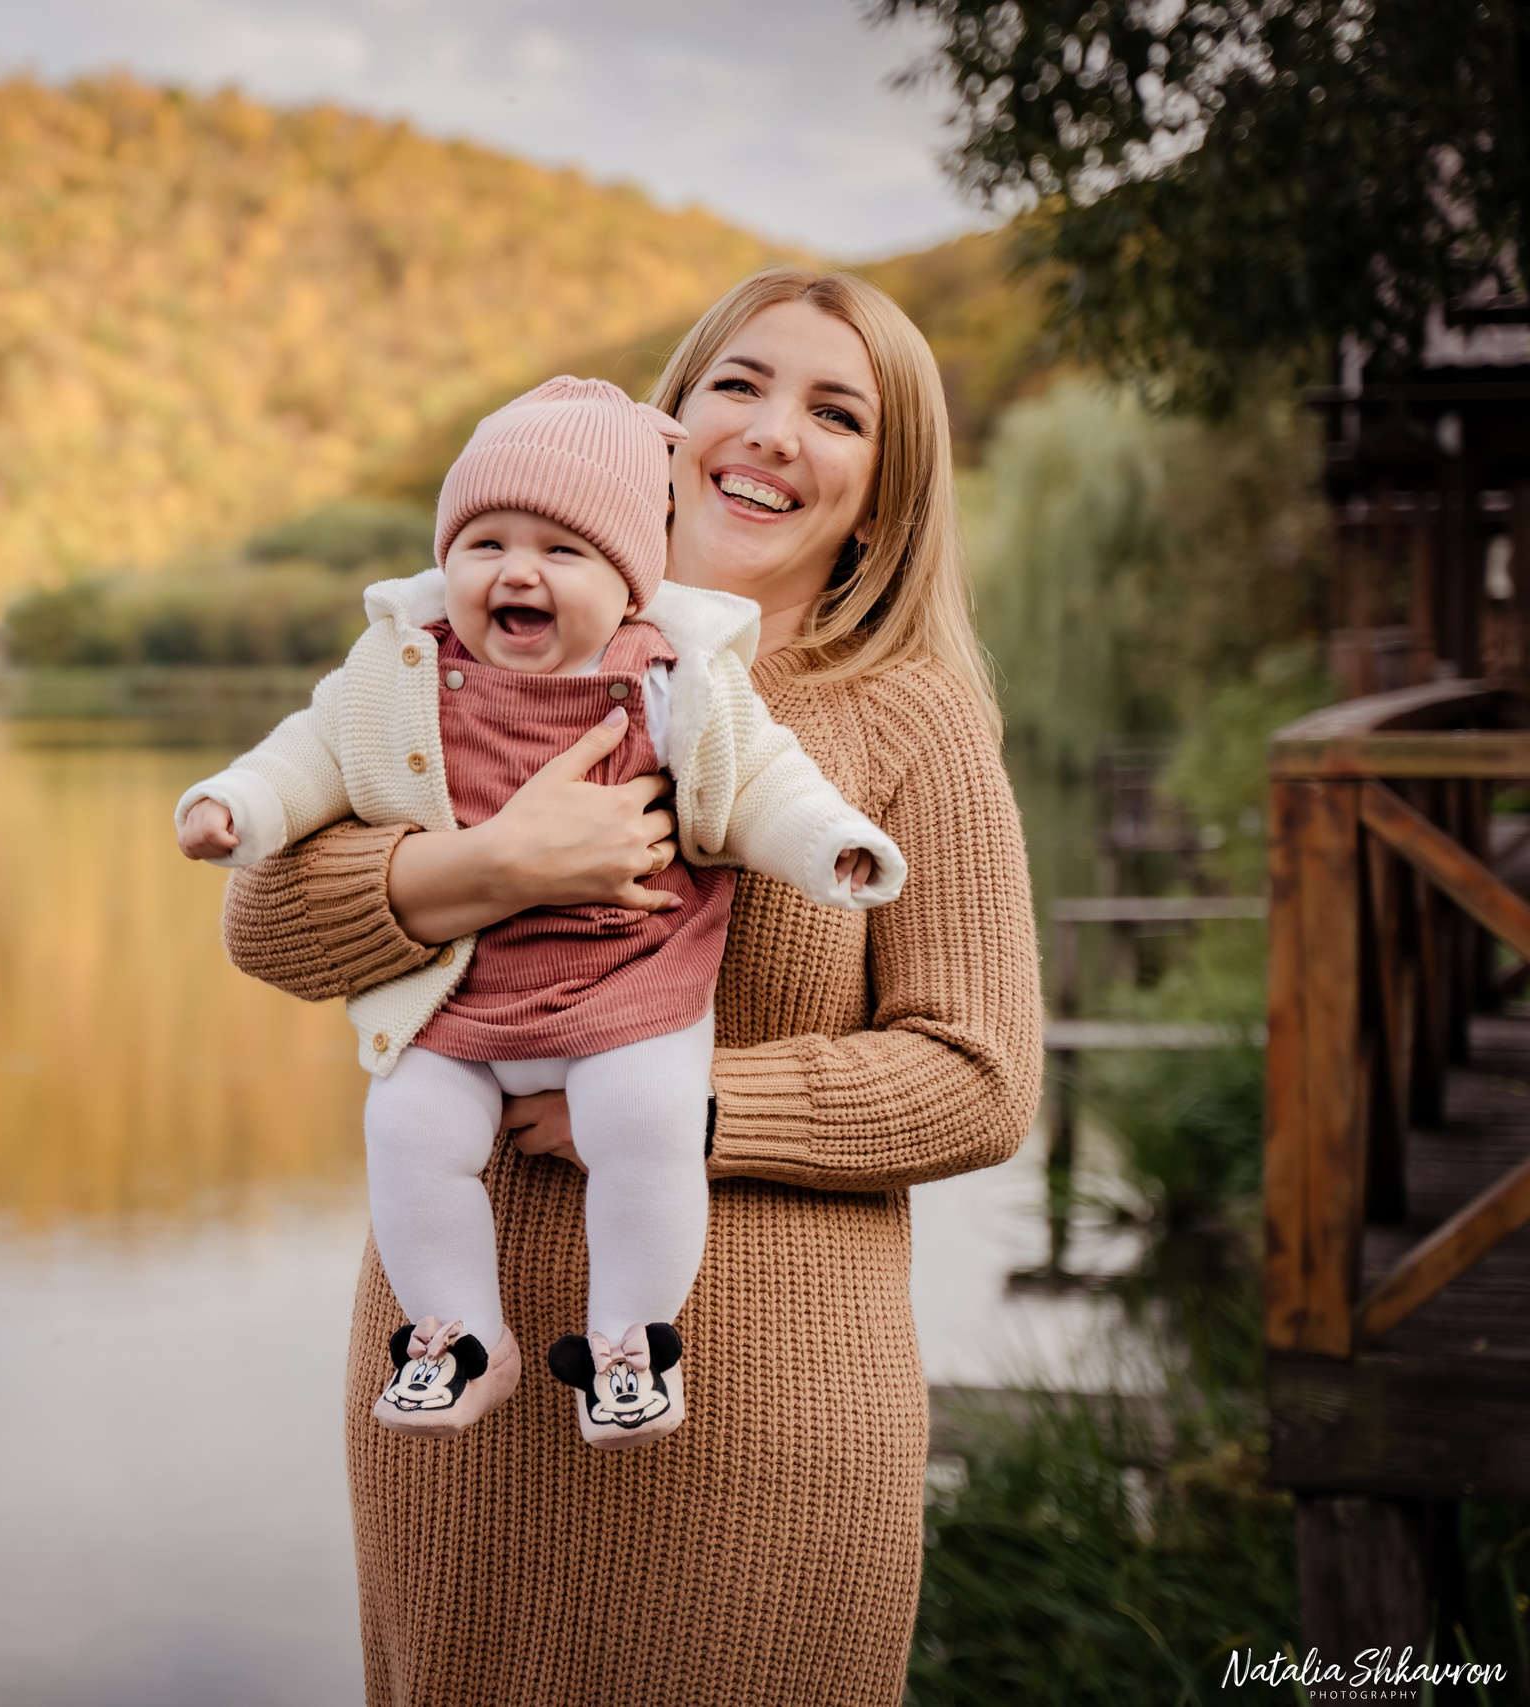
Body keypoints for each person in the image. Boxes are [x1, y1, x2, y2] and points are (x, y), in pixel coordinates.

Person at [217, 269, 1042, 1705]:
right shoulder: (462, 650)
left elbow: (981, 1074)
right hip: (460, 1428)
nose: (774, 431)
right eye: (739, 384)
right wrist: (487, 867)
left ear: (886, 496)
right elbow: (267, 923)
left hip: (764, 1416)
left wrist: (680, 1109)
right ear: (662, 432)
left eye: (834, 410)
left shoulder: (911, 716)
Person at [174, 376, 904, 1451]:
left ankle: (629, 1339)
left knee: (644, 1124)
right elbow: (311, 751)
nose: (517, 570)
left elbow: (763, 782)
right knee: (408, 1129)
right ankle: (456, 1332)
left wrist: (829, 843)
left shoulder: (673, 681)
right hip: (461, 1000)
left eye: (561, 552)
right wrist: (235, 803)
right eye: (484, 544)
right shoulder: (402, 672)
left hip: (628, 990)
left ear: (627, 584)